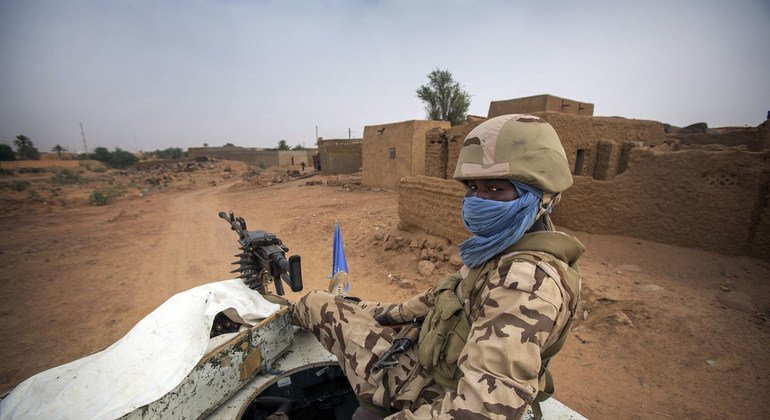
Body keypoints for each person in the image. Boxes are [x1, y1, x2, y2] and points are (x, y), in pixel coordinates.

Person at [293, 114, 584, 419]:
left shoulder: (524, 283)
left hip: (430, 393)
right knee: (324, 304)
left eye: (496, 190)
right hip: (424, 363)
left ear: (543, 197)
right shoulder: (499, 250)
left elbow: (482, 410)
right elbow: (419, 307)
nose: (478, 200)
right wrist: (355, 307)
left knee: (315, 305)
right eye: (473, 187)